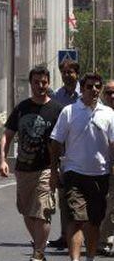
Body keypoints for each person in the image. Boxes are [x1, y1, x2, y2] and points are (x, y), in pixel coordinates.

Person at [50, 73, 114, 261]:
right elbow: (56, 142)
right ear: (82, 88)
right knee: (77, 219)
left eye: (97, 87)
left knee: (94, 222)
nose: (93, 90)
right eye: (89, 86)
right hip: (74, 173)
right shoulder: (69, 112)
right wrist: (54, 170)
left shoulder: (109, 114)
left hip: (100, 175)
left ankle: (90, 260)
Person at [0, 66, 63, 261]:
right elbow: (7, 135)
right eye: (37, 82)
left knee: (43, 211)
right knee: (27, 212)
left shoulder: (57, 110)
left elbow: (64, 140)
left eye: (44, 82)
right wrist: (3, 159)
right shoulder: (22, 108)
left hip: (46, 167)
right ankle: (38, 244)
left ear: (49, 83)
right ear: (31, 83)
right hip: (23, 168)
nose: (41, 86)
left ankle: (38, 254)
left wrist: (59, 168)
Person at [48, 60, 81, 250]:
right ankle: (64, 235)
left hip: (81, 153)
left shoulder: (84, 94)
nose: (67, 75)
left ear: (77, 74)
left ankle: (86, 234)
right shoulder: (57, 96)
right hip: (63, 155)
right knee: (63, 197)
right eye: (64, 72)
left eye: (71, 72)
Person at [99, 80, 114, 256]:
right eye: (108, 92)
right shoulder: (100, 114)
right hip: (105, 169)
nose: (112, 96)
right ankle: (104, 240)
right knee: (107, 205)